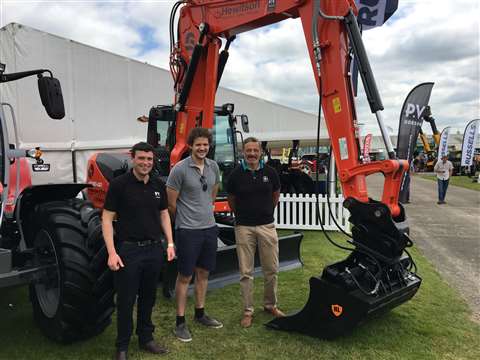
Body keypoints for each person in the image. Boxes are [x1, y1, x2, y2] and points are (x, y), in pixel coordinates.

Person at [102, 142, 175, 360]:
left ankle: (146, 338)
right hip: (128, 252)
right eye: (141, 158)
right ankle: (122, 346)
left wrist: (170, 243)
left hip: (154, 250)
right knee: (125, 301)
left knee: (148, 297)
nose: (145, 163)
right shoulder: (119, 185)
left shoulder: (157, 185)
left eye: (149, 159)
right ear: (133, 158)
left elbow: (164, 214)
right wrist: (112, 252)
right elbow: (106, 218)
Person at [166, 127, 223, 342]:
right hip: (188, 231)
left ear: (209, 146)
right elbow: (171, 204)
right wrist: (186, 220)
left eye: (205, 145)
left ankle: (200, 313)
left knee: (204, 273)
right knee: (185, 276)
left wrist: (204, 214)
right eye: (198, 144)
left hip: (209, 228)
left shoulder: (213, 167)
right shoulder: (179, 170)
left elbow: (212, 194)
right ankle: (180, 322)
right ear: (191, 145)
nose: (202, 148)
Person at [226, 137, 285, 328]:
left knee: (272, 269)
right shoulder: (235, 175)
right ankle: (248, 310)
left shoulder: (271, 173)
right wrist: (242, 216)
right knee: (246, 272)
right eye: (248, 150)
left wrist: (267, 211)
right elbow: (231, 200)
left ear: (260, 152)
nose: (251, 153)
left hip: (267, 226)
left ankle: (270, 305)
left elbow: (275, 195)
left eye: (255, 150)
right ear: (243, 152)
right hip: (244, 227)